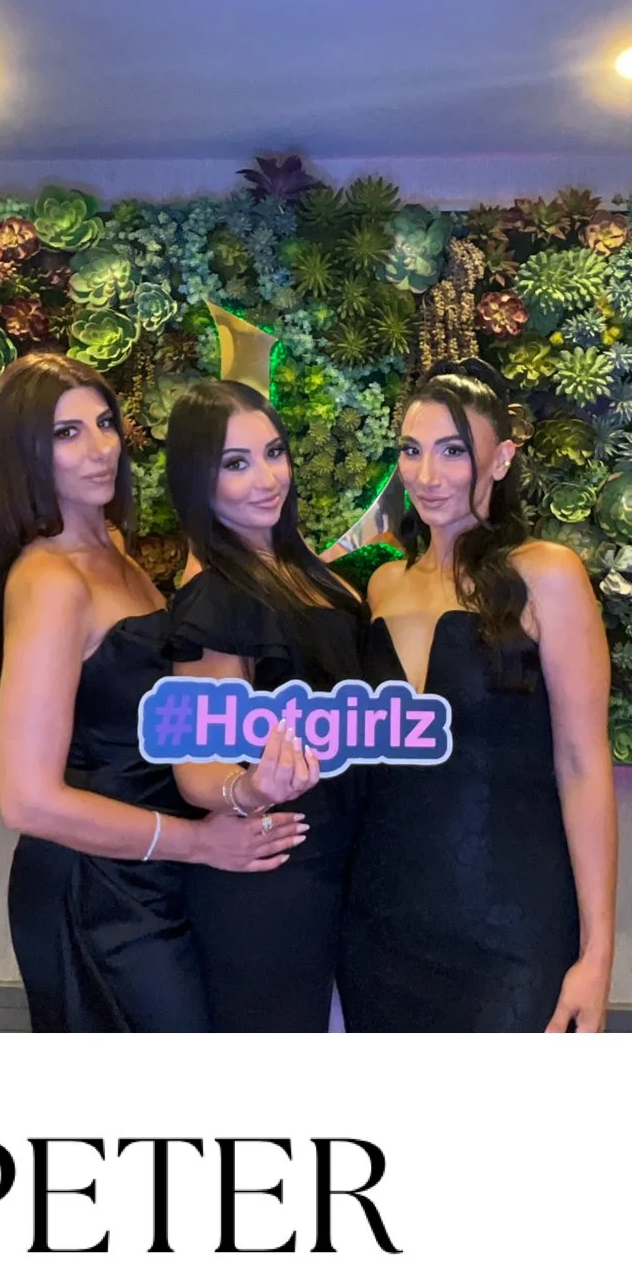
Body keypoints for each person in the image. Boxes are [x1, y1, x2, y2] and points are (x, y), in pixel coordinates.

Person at [0, 354, 299, 1033]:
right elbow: (27, 800)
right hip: (96, 888)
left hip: (153, 871)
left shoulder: (112, 546)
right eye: (66, 435)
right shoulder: (50, 579)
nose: (99, 450)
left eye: (104, 423)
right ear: (25, 451)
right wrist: (199, 843)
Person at [340, 361, 617, 1031]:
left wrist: (597, 952)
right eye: (411, 450)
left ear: (501, 459)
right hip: (381, 925)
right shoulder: (381, 587)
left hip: (512, 929)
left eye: (452, 451)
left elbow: (584, 767)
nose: (426, 476)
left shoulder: (547, 574)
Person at [160, 380, 368, 1031]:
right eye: (235, 463)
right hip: (274, 879)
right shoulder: (216, 598)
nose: (265, 478)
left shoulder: (309, 570)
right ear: (198, 480)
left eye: (272, 453)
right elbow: (195, 772)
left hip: (346, 867)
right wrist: (252, 788)